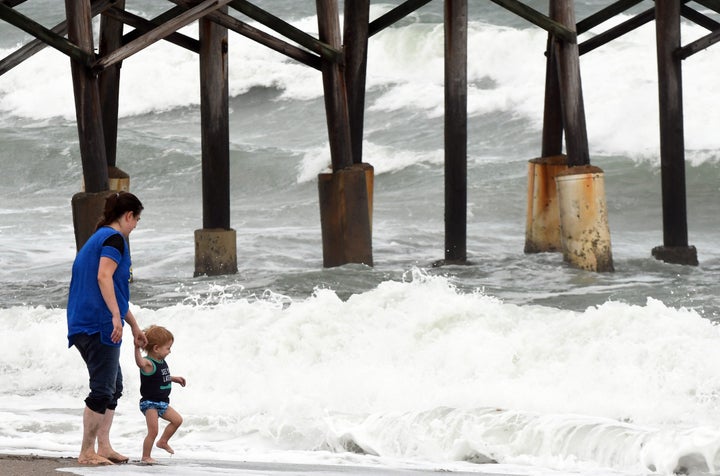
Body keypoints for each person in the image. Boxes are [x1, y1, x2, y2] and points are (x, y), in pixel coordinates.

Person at [67, 191, 147, 465]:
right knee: (102, 389)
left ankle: (104, 446)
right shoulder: (114, 239)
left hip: (85, 321)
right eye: (137, 219)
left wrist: (134, 325)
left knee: (114, 386)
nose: (136, 225)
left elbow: (114, 288)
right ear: (128, 216)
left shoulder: (98, 237)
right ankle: (87, 451)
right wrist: (114, 316)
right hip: (98, 323)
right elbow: (104, 276)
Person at [134, 325, 186, 464]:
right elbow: (139, 363)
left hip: (162, 402)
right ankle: (146, 456)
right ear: (156, 348)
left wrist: (173, 378)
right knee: (153, 431)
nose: (170, 351)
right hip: (150, 403)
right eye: (168, 348)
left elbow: (160, 377)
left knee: (177, 420)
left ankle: (163, 441)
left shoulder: (161, 361)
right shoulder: (148, 363)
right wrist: (136, 348)